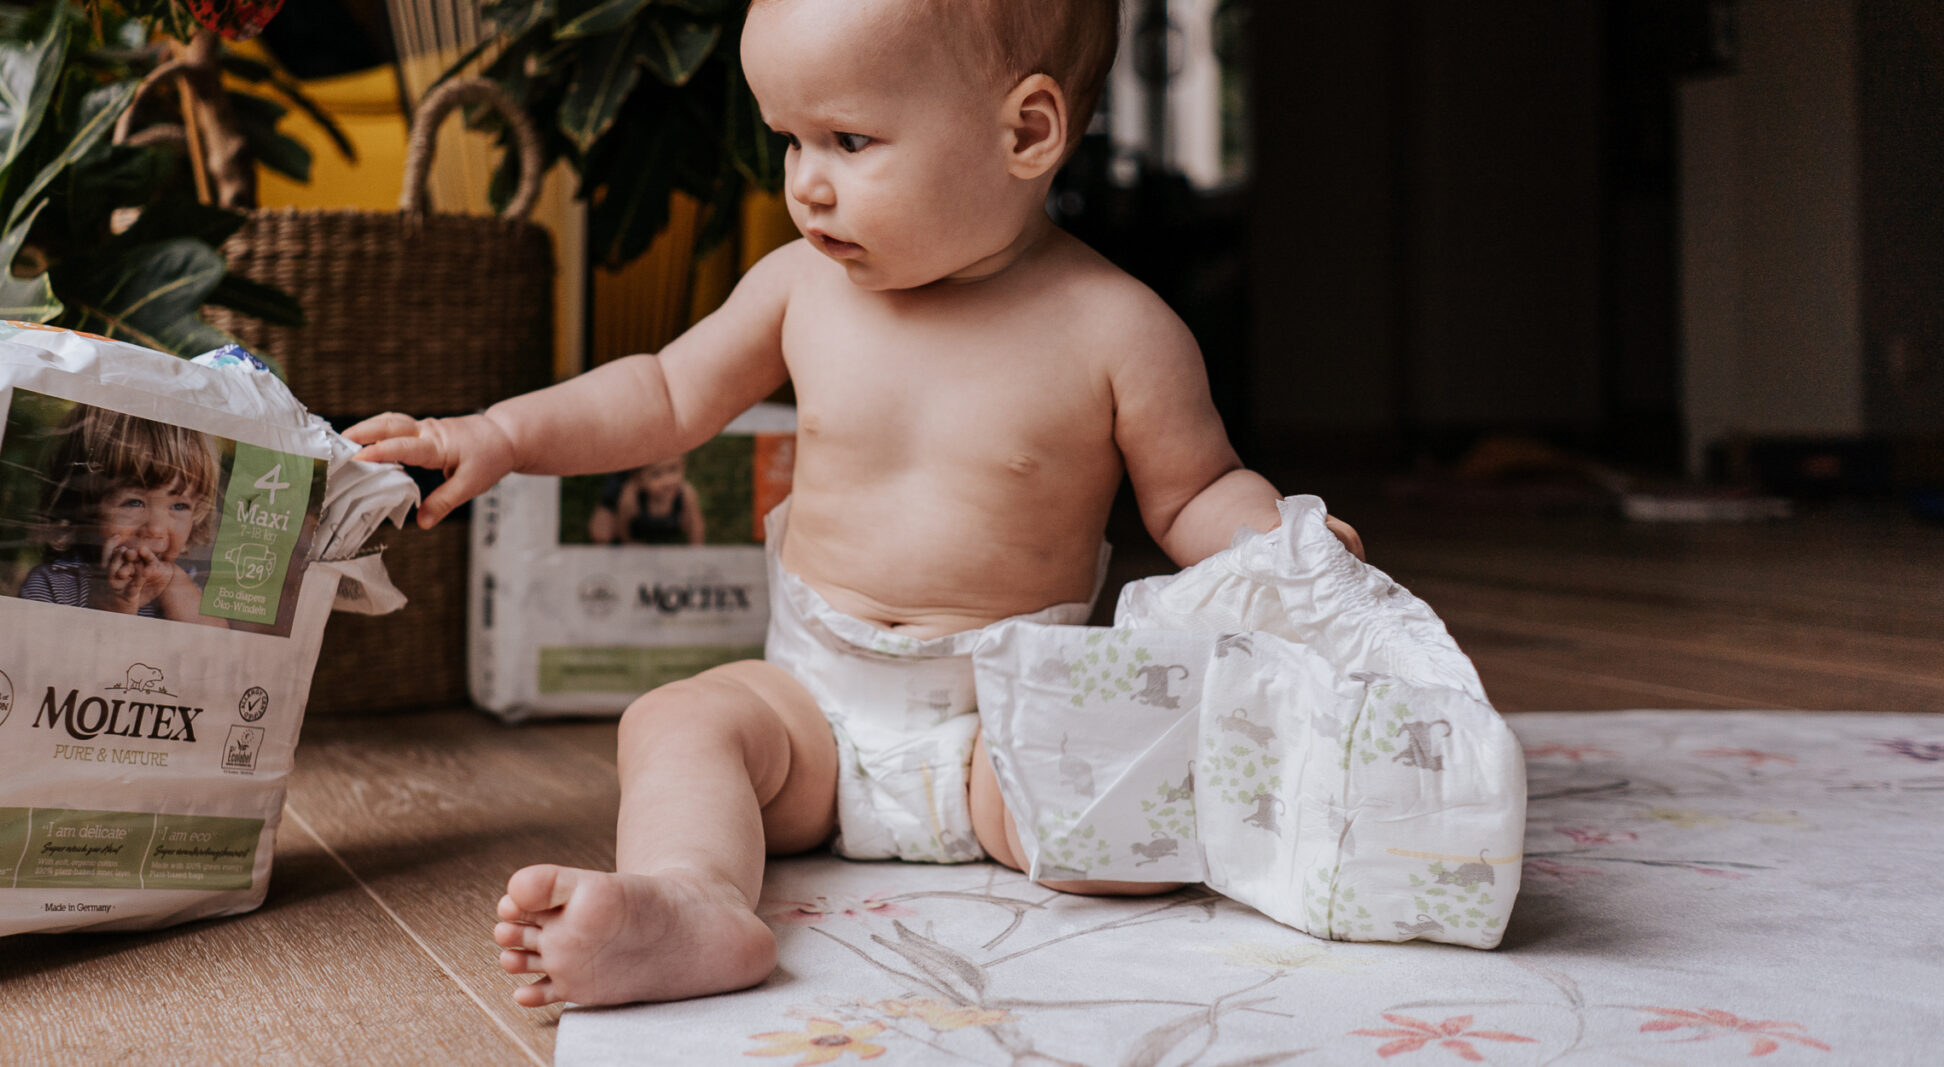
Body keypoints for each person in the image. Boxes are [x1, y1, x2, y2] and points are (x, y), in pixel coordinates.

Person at [345, 0, 1364, 1007]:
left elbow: (1193, 492)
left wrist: (1282, 549)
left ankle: (1258, 819)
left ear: (1025, 131)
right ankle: (692, 900)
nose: (805, 186)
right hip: (812, 716)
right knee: (680, 722)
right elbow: (662, 391)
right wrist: (498, 434)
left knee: (1130, 802)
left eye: (847, 139)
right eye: (787, 141)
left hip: (1001, 723)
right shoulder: (798, 289)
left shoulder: (1120, 330)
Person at [17, 406, 221, 623]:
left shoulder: (183, 586)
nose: (156, 529)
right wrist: (111, 610)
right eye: (134, 502)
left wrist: (172, 582)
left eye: (179, 506)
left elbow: (218, 647)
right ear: (82, 506)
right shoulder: (53, 583)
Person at [589, 456, 708, 545]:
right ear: (639, 481)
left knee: (689, 516)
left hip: (667, 517)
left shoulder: (687, 493)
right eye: (656, 475)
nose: (668, 481)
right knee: (601, 534)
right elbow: (622, 523)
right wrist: (630, 542)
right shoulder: (630, 497)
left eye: (673, 469)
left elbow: (696, 525)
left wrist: (696, 552)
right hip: (630, 508)